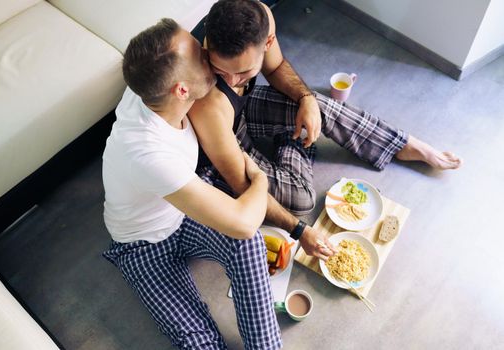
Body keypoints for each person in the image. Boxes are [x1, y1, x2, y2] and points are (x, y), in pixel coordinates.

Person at [188, 0, 461, 258]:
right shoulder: (206, 103)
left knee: (316, 106)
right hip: (226, 145)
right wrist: (299, 230)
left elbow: (276, 67)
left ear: (267, 41)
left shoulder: (260, 17)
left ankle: (401, 144)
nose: (233, 80)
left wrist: (306, 99)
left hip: (245, 107)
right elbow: (245, 185)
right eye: (221, 70)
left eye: (244, 72)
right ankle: (292, 137)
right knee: (302, 201)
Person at [101, 19, 282, 350]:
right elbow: (242, 221)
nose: (208, 51)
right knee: (198, 342)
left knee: (250, 245)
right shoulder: (146, 152)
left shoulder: (153, 86)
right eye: (201, 54)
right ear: (181, 90)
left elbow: (243, 232)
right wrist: (260, 179)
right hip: (143, 246)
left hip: (183, 213)